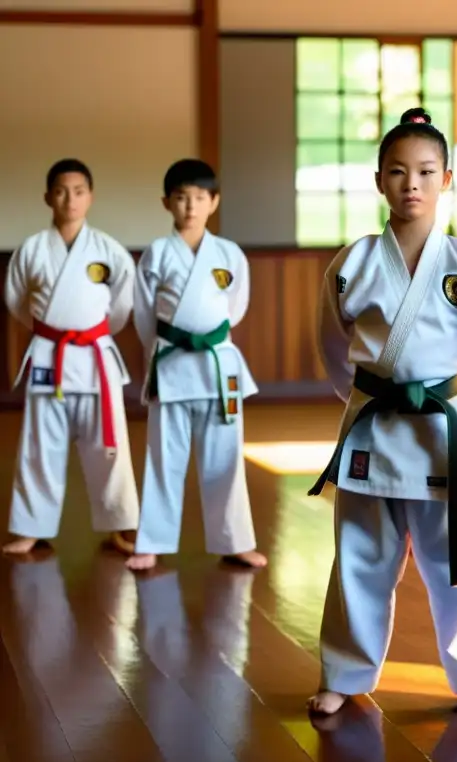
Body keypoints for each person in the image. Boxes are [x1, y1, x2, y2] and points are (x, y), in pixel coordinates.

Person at [306, 107, 457, 721]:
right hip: (373, 421)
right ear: (379, 181)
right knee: (361, 553)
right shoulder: (352, 264)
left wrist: (446, 391)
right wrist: (370, 395)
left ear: (447, 179)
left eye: (425, 171)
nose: (411, 184)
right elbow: (332, 348)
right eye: (398, 171)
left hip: (442, 425)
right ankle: (344, 671)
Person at [125, 159, 266, 571]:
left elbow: (234, 309)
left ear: (213, 202)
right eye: (182, 197)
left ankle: (235, 540)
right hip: (172, 364)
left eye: (199, 198)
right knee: (163, 458)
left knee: (225, 458)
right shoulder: (157, 253)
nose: (190, 206)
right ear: (167, 202)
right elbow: (144, 315)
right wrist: (167, 348)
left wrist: (206, 337)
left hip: (217, 366)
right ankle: (152, 541)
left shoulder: (229, 254)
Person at [2, 159, 139, 556]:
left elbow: (121, 306)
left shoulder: (108, 250)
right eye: (61, 191)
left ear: (90, 197)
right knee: (39, 444)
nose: (70, 199)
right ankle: (31, 526)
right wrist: (53, 329)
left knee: (109, 446)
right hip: (49, 355)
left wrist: (88, 331)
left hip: (95, 356)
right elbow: (16, 300)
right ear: (48, 197)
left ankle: (122, 524)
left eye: (79, 191)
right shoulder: (31, 250)